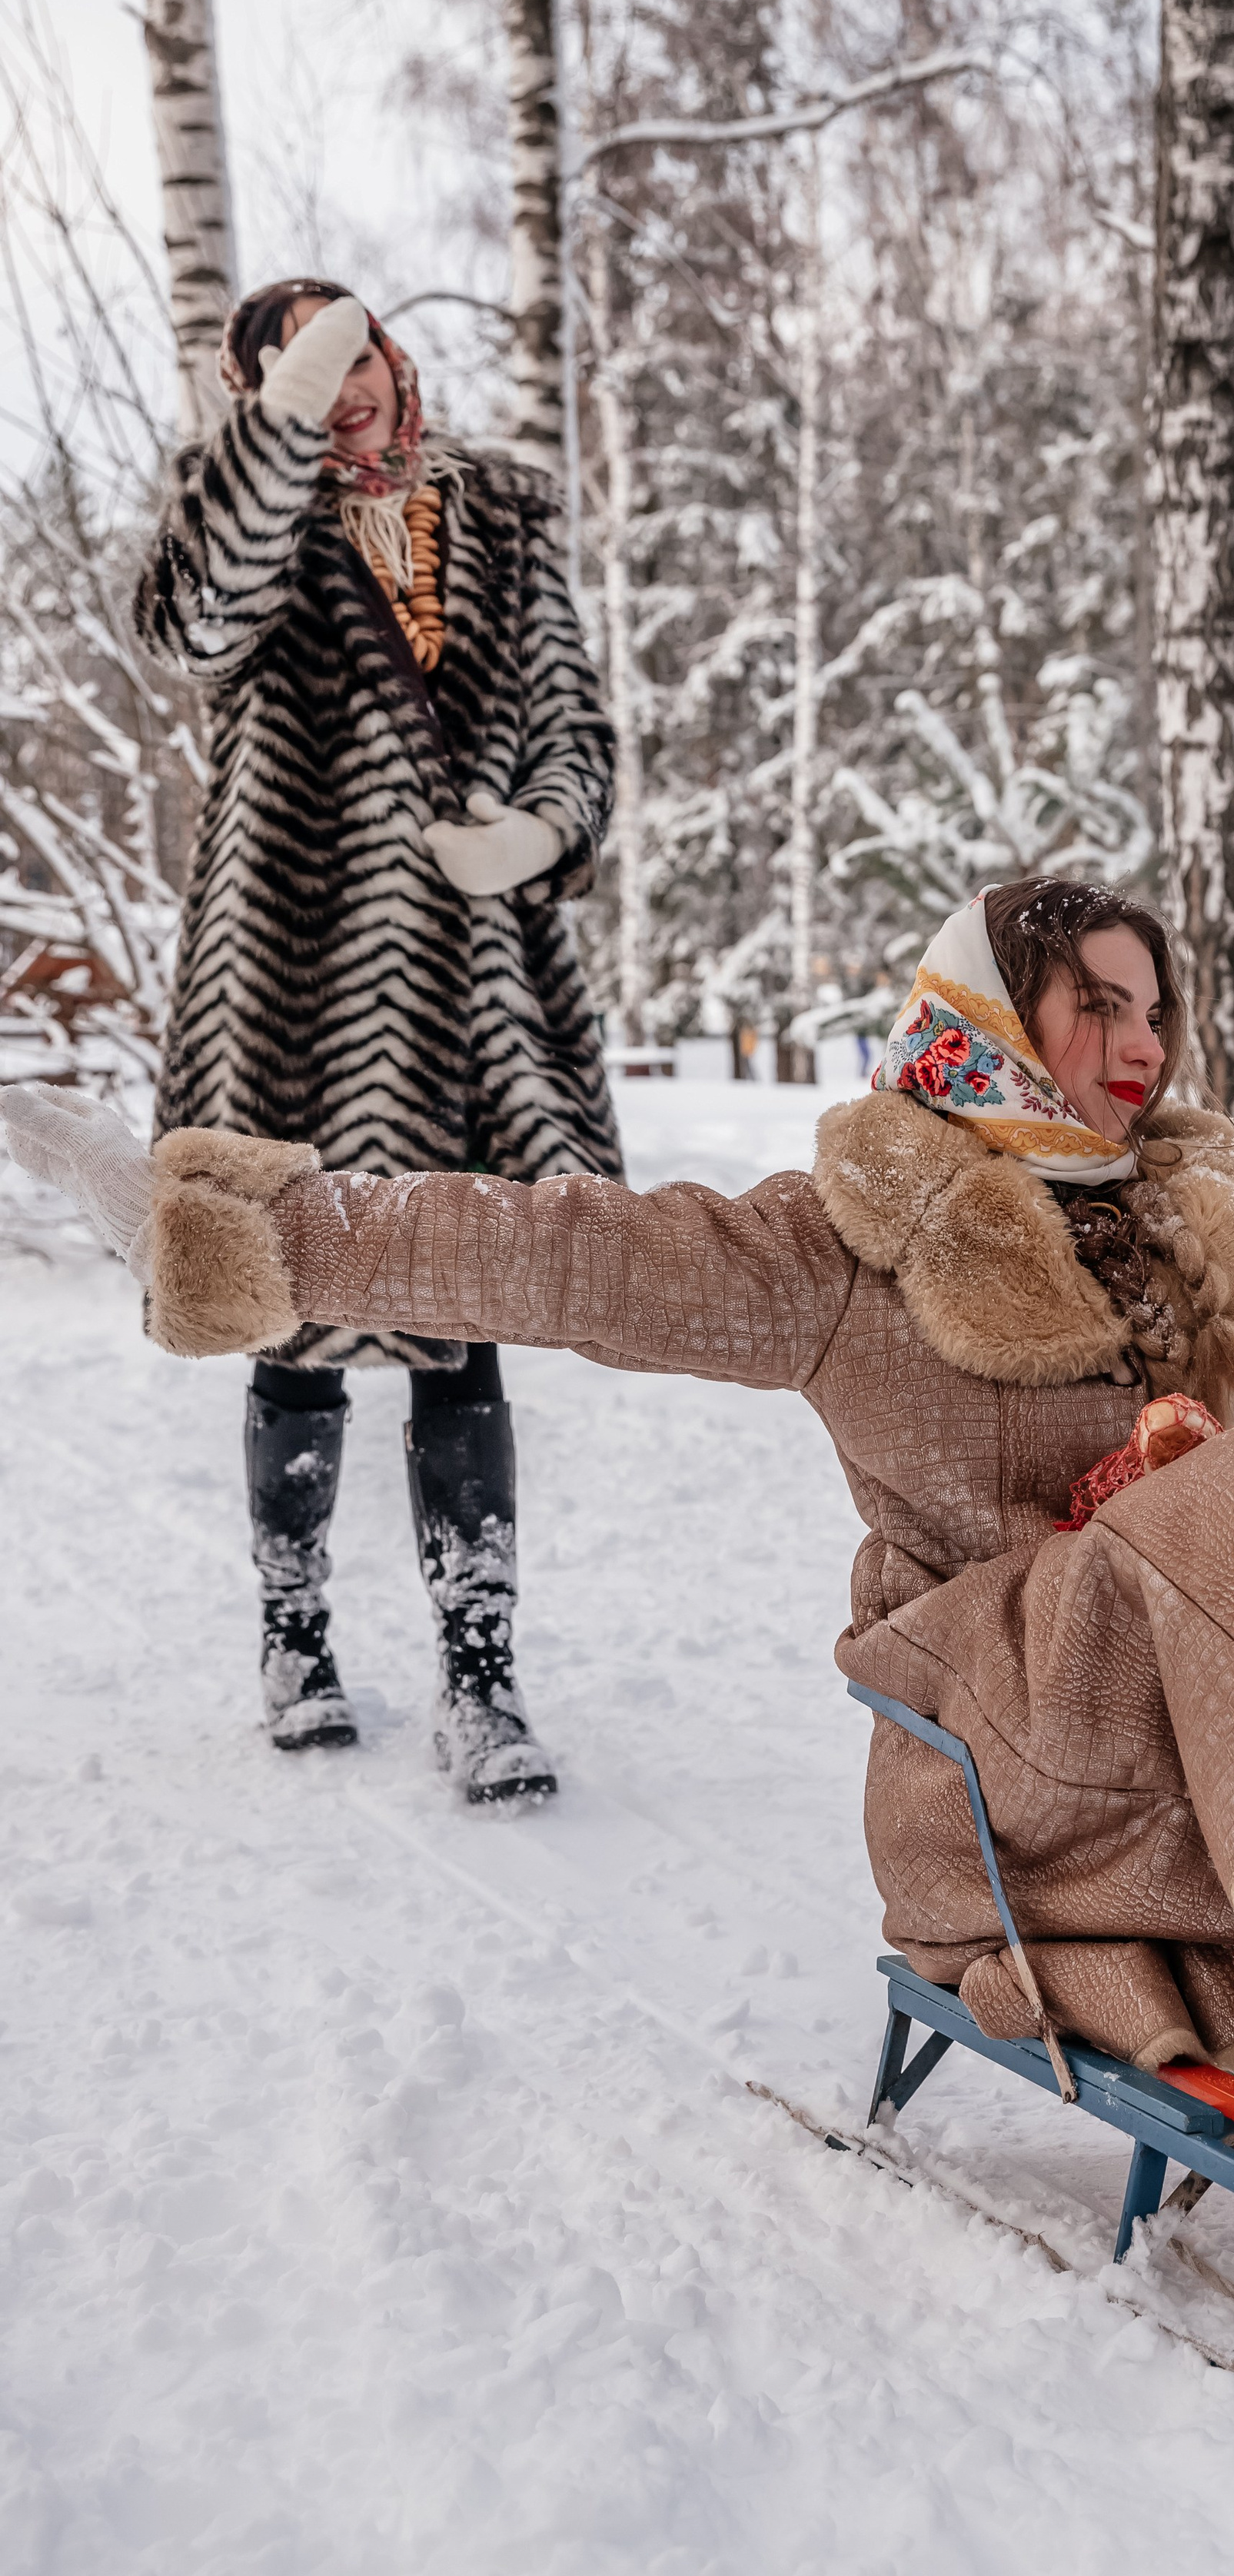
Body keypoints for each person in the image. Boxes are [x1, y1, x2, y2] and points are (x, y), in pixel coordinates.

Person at [4, 876, 1234, 2219]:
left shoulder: (1191, 1228)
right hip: (1014, 1756)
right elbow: (557, 1252)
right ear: (992, 1018)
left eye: (1154, 1007)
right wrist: (260, 1237)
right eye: (1096, 1004)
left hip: (1214, 1748)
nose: (1140, 1043)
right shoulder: (851, 1251)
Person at [130, 284, 623, 1802]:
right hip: (289, 981)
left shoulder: (505, 520)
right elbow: (191, 622)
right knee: (294, 1325)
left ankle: (482, 1679)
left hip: (469, 991)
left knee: (460, 1330)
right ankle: (295, 1644)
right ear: (260, 394)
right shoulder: (238, 514)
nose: (342, 388)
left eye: (356, 357)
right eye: (300, 372)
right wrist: (275, 435)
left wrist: (538, 835)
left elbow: (575, 728)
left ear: (402, 367)